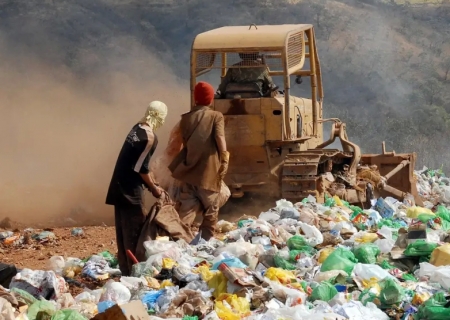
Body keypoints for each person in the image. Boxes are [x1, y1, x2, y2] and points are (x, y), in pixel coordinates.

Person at [105, 101, 168, 276]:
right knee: (136, 233)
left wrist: (153, 183)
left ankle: (125, 269)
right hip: (130, 191)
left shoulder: (137, 128)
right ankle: (136, 273)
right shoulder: (149, 137)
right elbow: (141, 169)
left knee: (122, 233)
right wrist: (154, 189)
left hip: (118, 186)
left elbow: (137, 164)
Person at [168, 81, 229, 241]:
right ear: (210, 99)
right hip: (208, 173)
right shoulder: (216, 116)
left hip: (188, 172)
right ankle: (206, 241)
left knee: (187, 210)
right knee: (211, 209)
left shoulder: (185, 118)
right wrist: (224, 157)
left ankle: (179, 241)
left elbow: (177, 144)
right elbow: (219, 137)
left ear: (195, 99)